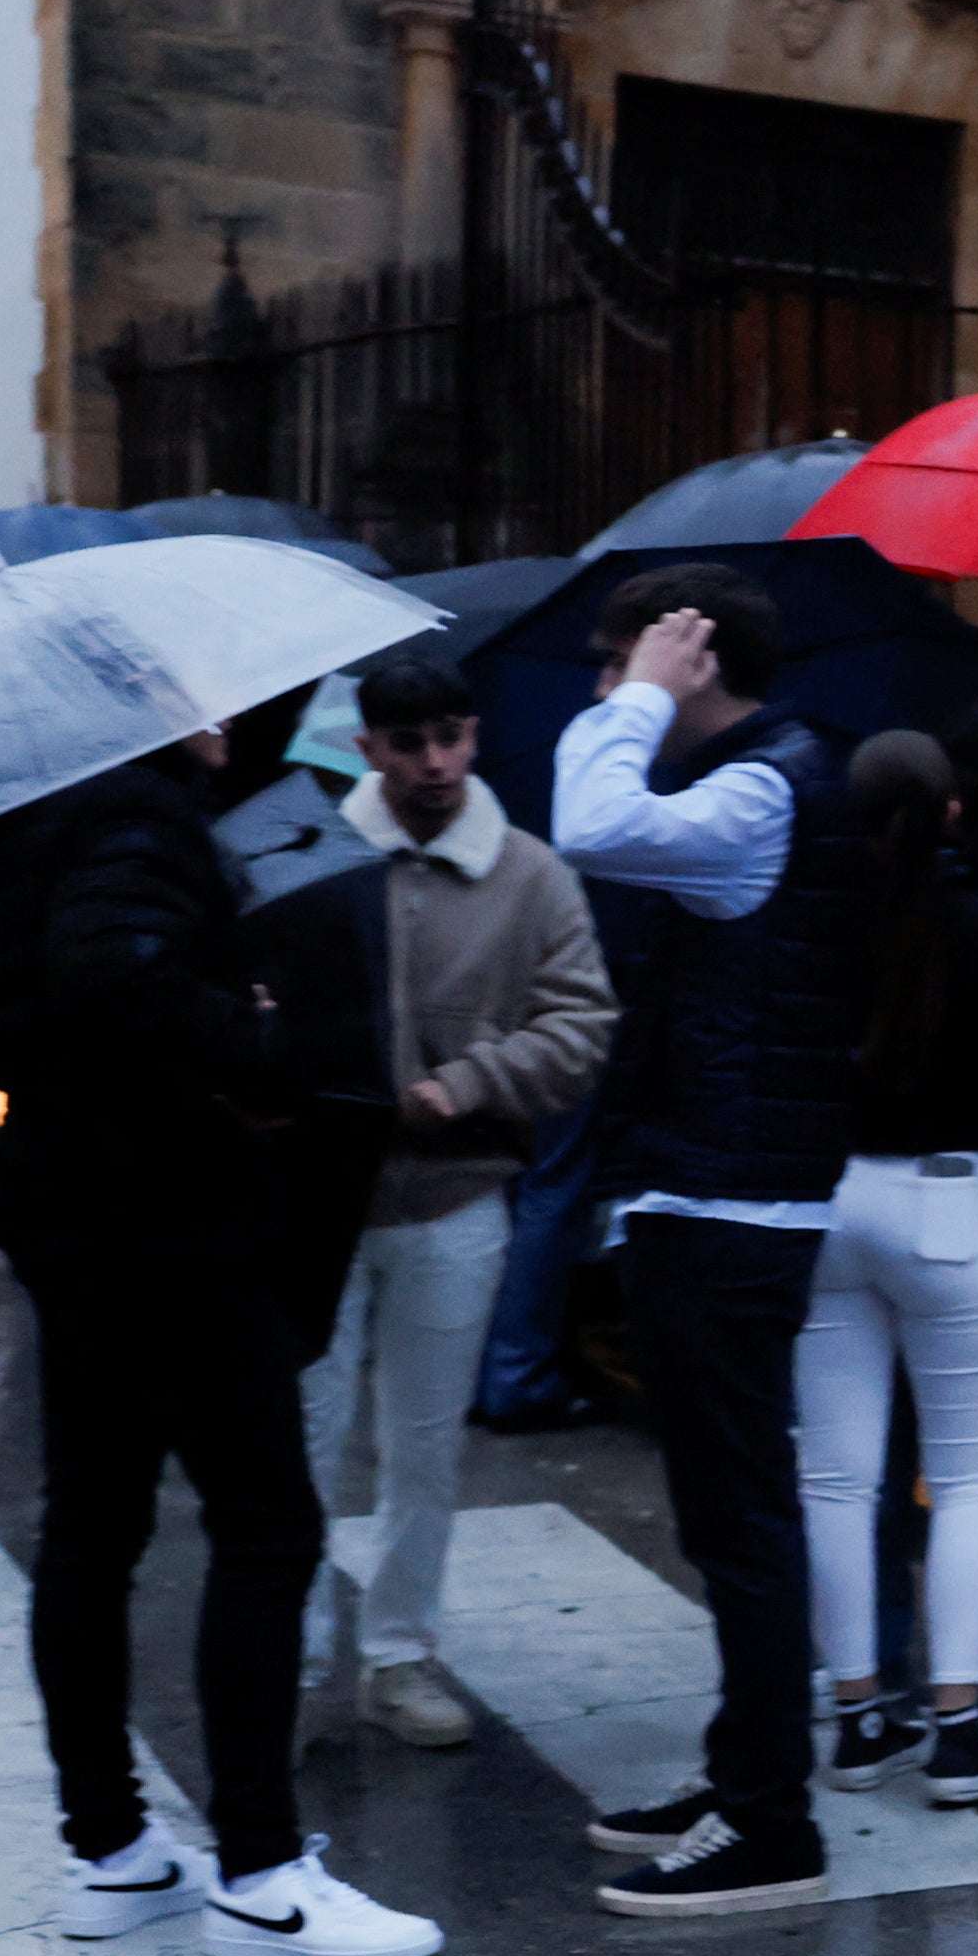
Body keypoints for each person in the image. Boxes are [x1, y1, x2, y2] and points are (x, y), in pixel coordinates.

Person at [0, 715, 445, 1956]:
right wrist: (254, 1035)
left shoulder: (8, 813)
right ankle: (264, 1874)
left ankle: (110, 1852)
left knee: (92, 1528)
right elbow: (117, 973)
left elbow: (9, 1017)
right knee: (268, 1527)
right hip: (167, 1219)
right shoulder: (133, 814)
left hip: (70, 1204)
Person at [554, 563, 861, 1918]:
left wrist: (637, 698)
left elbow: (587, 821)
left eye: (620, 662)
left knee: (742, 1519)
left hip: (734, 1206)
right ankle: (744, 1770)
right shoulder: (751, 779)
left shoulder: (757, 790)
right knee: (725, 1511)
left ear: (691, 657)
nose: (603, 691)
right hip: (713, 1191)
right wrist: (638, 694)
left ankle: (770, 1820)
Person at [292, 646, 613, 1749]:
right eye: (410, 743)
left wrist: (467, 1082)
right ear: (366, 747)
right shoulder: (310, 851)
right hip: (319, 1190)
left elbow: (581, 1023)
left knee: (425, 1443)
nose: (436, 763)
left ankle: (398, 1654)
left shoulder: (530, 872)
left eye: (453, 738)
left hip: (455, 1185)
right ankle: (290, 1666)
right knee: (303, 1435)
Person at [798, 728, 978, 1809]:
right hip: (951, 1204)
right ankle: (959, 1726)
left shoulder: (812, 929)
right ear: (953, 812)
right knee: (964, 1478)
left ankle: (858, 1714)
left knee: (835, 1474)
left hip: (828, 1201)